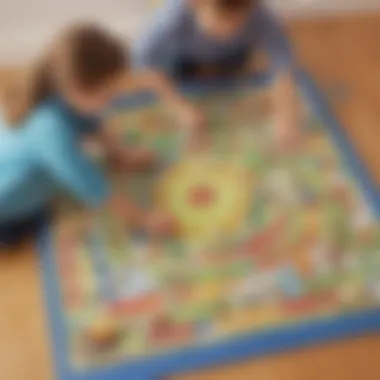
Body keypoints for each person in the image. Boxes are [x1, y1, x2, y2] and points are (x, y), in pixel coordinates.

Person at [0, 23, 194, 247]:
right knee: (16, 236)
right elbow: (94, 187)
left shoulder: (63, 94)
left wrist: (121, 154)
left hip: (23, 181)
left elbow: (92, 123)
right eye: (107, 94)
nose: (112, 101)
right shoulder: (50, 129)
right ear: (76, 89)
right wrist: (144, 220)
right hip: (6, 205)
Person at [133, 0, 300, 144]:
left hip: (233, 58)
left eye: (238, 23)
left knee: (236, 88)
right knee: (179, 85)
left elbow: (282, 64)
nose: (229, 31)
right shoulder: (172, 19)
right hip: (184, 60)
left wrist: (286, 116)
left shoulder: (257, 14)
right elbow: (145, 65)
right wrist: (179, 108)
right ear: (194, 4)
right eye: (221, 23)